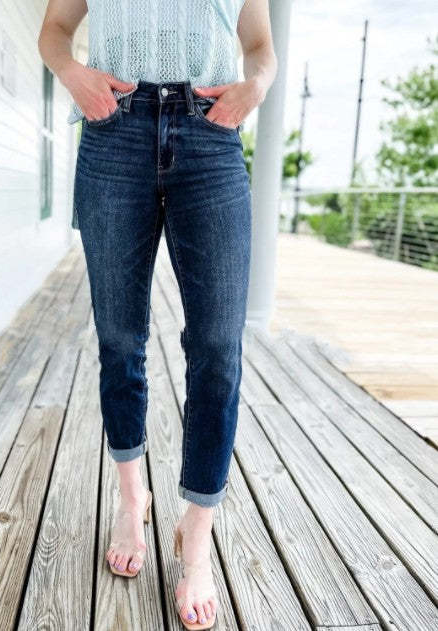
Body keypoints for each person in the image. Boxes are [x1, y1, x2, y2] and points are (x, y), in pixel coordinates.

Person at [38, 1, 276, 628]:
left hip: (211, 134)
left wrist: (256, 86)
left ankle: (196, 534)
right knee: (119, 337)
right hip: (114, 128)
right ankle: (131, 498)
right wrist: (73, 74)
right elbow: (54, 30)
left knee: (219, 347)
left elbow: (260, 46)